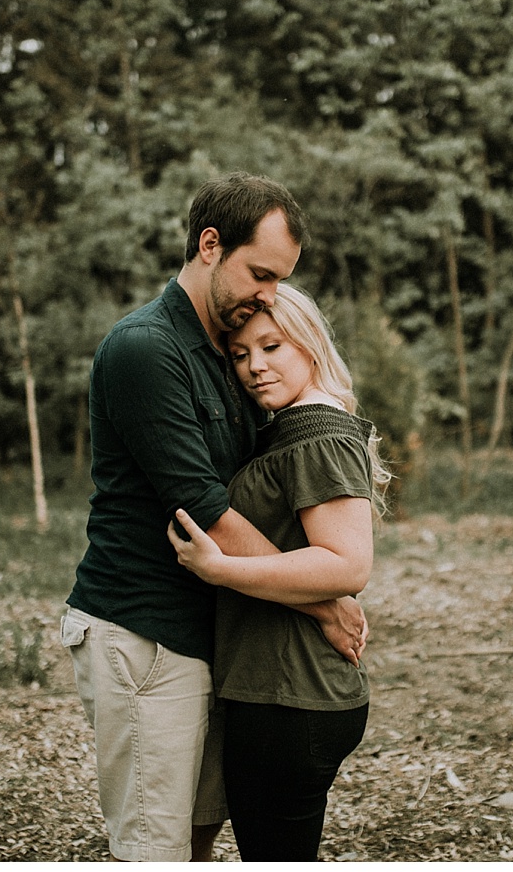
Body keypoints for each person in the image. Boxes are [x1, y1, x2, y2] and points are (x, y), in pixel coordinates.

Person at [61, 172, 369, 863]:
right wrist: (324, 603)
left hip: (212, 635)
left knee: (198, 837)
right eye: (260, 273)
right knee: (154, 848)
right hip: (144, 633)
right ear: (209, 244)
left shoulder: (226, 350)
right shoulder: (145, 348)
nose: (270, 294)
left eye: (280, 279)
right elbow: (205, 508)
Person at [169, 283, 391, 861]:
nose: (254, 367)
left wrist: (222, 569)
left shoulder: (316, 431)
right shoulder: (291, 426)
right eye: (240, 354)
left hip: (291, 700)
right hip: (279, 692)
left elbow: (348, 564)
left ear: (310, 343)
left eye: (271, 346)